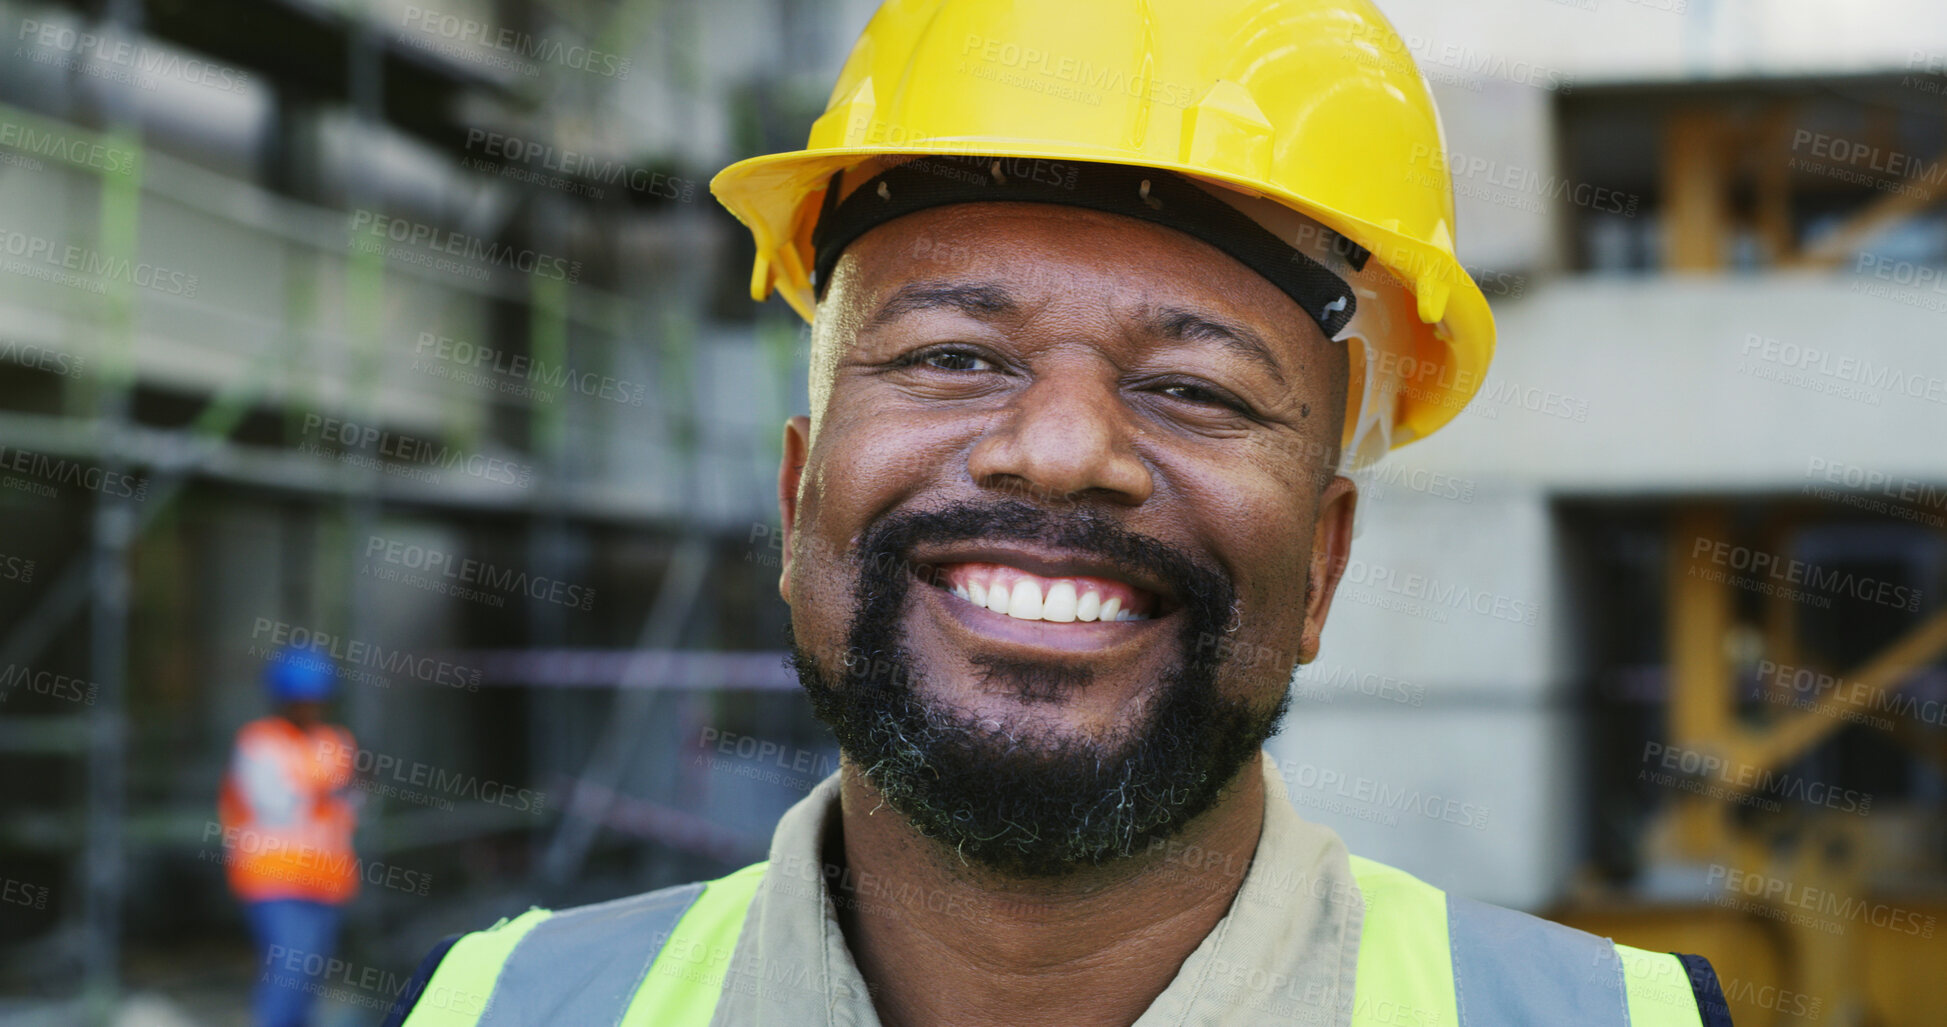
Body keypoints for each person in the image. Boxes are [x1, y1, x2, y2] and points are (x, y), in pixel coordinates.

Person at [386, 1, 1731, 1024]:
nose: (1061, 448)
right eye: (950, 356)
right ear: (797, 500)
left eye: (1191, 385)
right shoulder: (508, 1004)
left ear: (1319, 565)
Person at [219, 646, 360, 1027]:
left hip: (327, 882)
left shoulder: (338, 743)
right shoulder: (259, 742)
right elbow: (275, 805)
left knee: (309, 981)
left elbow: (351, 811)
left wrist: (351, 790)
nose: (309, 709)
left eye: (315, 701)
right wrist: (331, 790)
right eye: (300, 701)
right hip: (273, 879)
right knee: (287, 972)